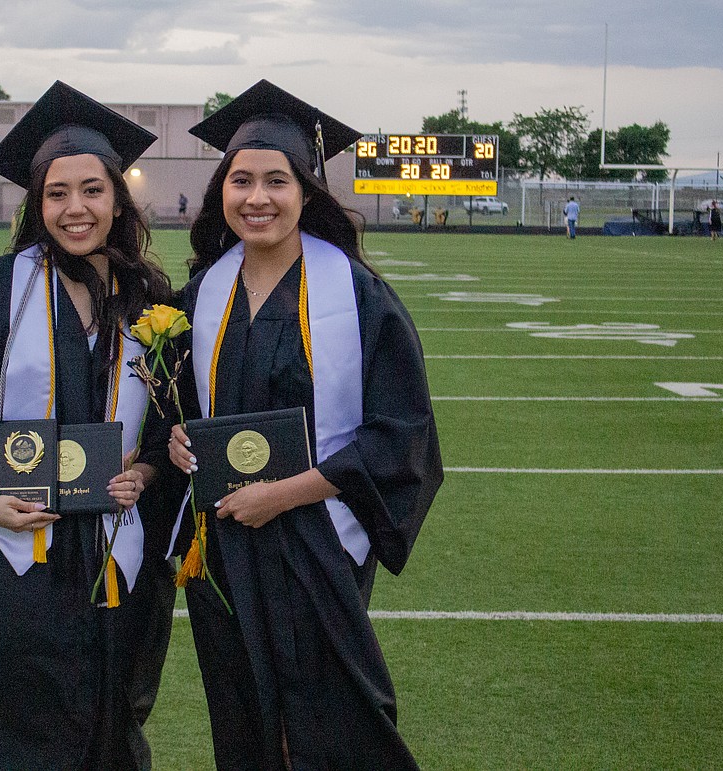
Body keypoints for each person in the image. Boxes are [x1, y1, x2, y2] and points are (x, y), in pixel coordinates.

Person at [165, 80, 443, 770]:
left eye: (276, 181)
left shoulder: (358, 297)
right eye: (241, 180)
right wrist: (171, 440)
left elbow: (398, 435)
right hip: (225, 549)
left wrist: (282, 495)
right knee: (245, 718)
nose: (257, 198)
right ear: (221, 192)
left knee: (328, 726)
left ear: (306, 192)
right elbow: (172, 412)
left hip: (319, 545)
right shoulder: (199, 295)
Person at [0, 80, 175, 769]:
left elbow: (174, 422)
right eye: (57, 193)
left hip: (117, 546)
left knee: (112, 729)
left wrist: (142, 471)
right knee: (22, 723)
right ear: (36, 203)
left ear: (117, 198)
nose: (74, 208)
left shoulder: (151, 300)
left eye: (91, 190)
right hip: (24, 544)